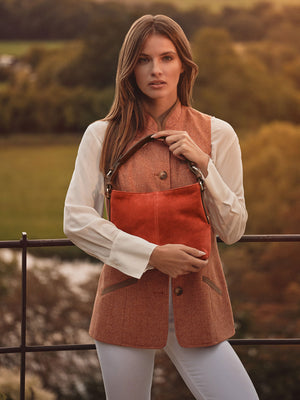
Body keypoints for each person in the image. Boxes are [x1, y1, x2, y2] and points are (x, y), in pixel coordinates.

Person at [64, 14, 259, 400]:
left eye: (167, 58)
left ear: (184, 64)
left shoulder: (218, 134)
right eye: (143, 59)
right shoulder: (101, 135)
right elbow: (76, 219)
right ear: (129, 68)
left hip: (200, 306)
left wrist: (205, 166)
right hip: (123, 305)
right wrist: (152, 255)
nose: (156, 70)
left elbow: (233, 229)